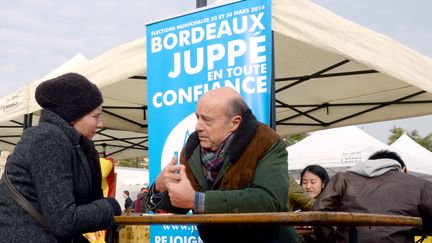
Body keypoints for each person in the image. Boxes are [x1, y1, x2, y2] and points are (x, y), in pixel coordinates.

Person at [146, 87, 300, 242]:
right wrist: (159, 188)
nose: (198, 126)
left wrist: (199, 200)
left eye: (207, 120)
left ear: (235, 123)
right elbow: (182, 203)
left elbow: (269, 200)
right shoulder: (192, 148)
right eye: (197, 117)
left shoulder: (267, 142)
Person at [0, 73, 121, 242]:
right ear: (73, 115)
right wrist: (109, 207)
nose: (100, 124)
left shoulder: (72, 144)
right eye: (95, 116)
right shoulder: (48, 139)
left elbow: (82, 205)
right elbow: (64, 221)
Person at [313, 150, 432, 242]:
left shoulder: (343, 178)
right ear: (404, 169)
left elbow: (319, 210)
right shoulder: (422, 185)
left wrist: (330, 240)